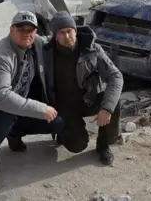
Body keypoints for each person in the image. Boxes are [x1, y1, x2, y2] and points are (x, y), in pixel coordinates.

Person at [0, 10, 63, 194]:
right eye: (21, 29)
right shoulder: (0, 56)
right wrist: (41, 108)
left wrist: (78, 36)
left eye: (31, 29)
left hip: (18, 104)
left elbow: (59, 38)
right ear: (11, 30)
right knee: (6, 111)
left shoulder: (36, 43)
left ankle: (14, 134)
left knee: (57, 122)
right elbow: (1, 97)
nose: (26, 33)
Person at [43, 11, 124, 165]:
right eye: (61, 33)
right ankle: (63, 131)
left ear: (75, 30)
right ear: (55, 35)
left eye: (69, 31)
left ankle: (103, 145)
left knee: (113, 100)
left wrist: (106, 108)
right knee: (77, 145)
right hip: (64, 107)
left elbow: (115, 76)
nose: (67, 36)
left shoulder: (92, 49)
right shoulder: (46, 53)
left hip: (88, 100)